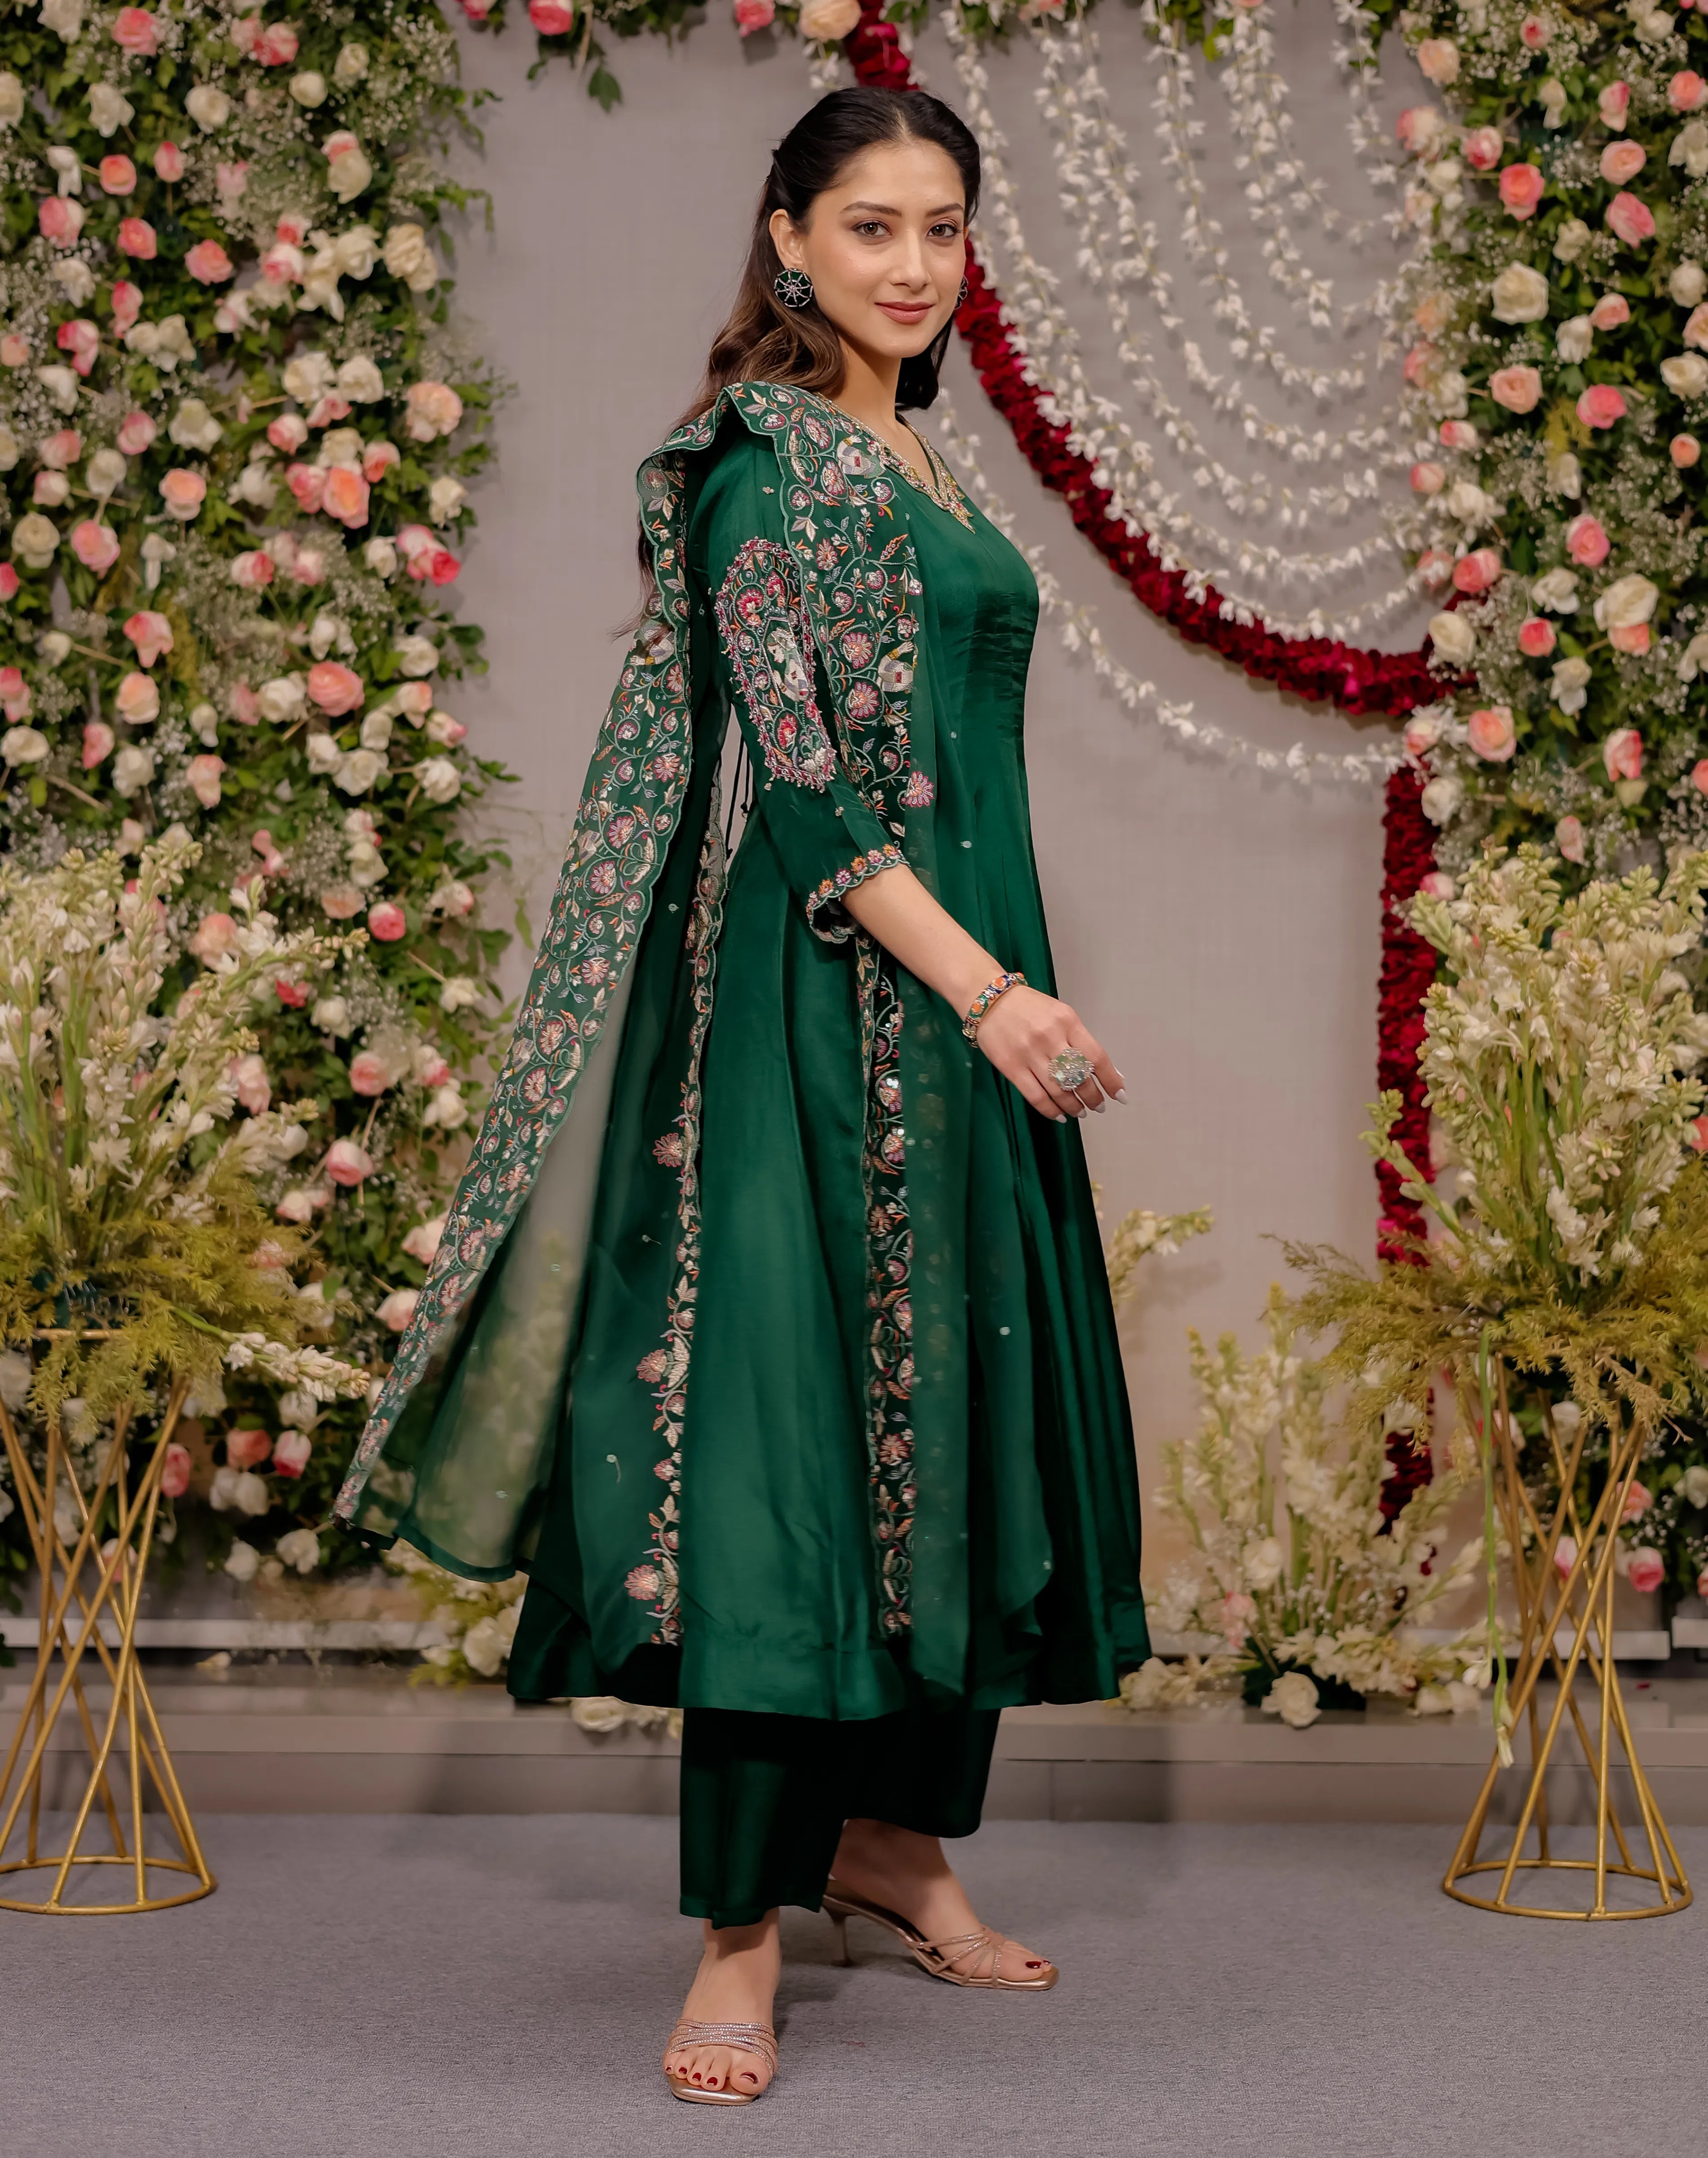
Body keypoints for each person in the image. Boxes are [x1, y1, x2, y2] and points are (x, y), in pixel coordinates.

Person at [333, 85, 1148, 2106]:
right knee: (787, 1461)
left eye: (940, 227)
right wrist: (987, 998)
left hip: (965, 1001)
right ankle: (732, 1934)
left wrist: (996, 995)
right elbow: (798, 789)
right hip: (823, 1017)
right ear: (784, 240)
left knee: (951, 1412)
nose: (907, 262)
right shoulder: (756, 471)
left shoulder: (927, 468)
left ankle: (889, 1842)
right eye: (866, 225)